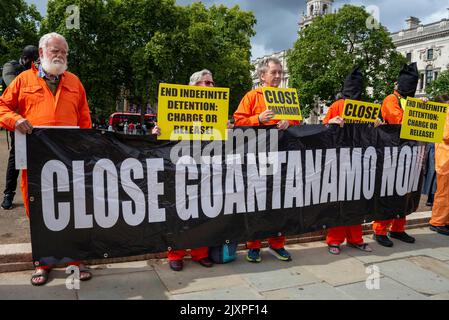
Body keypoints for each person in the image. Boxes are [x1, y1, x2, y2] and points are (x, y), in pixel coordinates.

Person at [0, 32, 93, 286]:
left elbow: (85, 120)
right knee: (38, 211)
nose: (60, 56)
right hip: (36, 161)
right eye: (55, 51)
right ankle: (44, 262)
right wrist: (15, 120)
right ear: (41, 53)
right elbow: (2, 107)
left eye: (64, 52)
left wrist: (87, 149)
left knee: (74, 209)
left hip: (69, 161)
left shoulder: (75, 82)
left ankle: (76, 260)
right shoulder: (22, 80)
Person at [233, 57, 300, 263]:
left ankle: (277, 244)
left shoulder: (287, 96)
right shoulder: (252, 96)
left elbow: (298, 121)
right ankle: (254, 245)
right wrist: (258, 120)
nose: (279, 76)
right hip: (257, 158)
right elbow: (238, 121)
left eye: (280, 72)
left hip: (282, 158)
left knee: (280, 202)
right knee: (256, 202)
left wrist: (289, 122)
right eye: (274, 72)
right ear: (262, 75)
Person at [161, 69, 215, 271]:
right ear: (194, 87)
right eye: (207, 83)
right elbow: (165, 134)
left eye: (212, 83)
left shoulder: (216, 110)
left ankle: (200, 253)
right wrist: (156, 132)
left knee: (202, 210)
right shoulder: (176, 105)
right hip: (180, 166)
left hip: (205, 166)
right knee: (178, 211)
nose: (211, 86)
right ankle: (175, 254)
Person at [322, 67, 373, 254]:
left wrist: (376, 124)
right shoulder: (336, 106)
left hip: (359, 160)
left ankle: (355, 239)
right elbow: (324, 129)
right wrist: (332, 123)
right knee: (339, 202)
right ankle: (334, 240)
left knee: (355, 202)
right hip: (339, 160)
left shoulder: (365, 108)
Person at [372, 63, 419, 247]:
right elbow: (398, 120)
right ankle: (380, 230)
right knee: (389, 191)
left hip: (409, 151)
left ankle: (398, 228)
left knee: (405, 192)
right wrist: (417, 113)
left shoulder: (410, 101)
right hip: (391, 152)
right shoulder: (391, 99)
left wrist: (420, 109)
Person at [1, 45, 39, 210]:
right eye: (32, 60)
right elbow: (13, 87)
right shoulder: (11, 67)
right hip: (16, 121)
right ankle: (8, 194)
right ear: (25, 59)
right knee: (16, 158)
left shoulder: (36, 71)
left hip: (33, 121)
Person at [429, 94, 449, 235]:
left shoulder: (443, 111)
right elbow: (446, 135)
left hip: (444, 158)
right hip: (445, 160)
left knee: (444, 193)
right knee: (443, 193)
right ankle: (438, 222)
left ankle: (443, 221)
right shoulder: (446, 111)